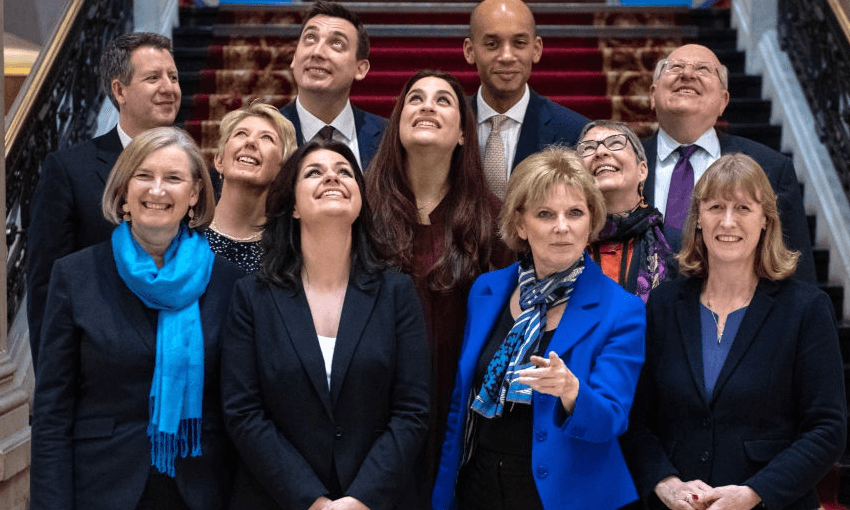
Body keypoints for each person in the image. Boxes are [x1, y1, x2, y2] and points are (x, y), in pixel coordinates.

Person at [30, 127, 243, 510]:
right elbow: (52, 412)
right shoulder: (76, 276)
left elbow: (243, 406)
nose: (157, 190)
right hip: (101, 486)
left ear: (194, 193)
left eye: (174, 178)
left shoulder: (231, 283)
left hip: (203, 488)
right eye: (144, 175)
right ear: (124, 188)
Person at [621, 154, 846, 510]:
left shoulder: (806, 309)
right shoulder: (663, 304)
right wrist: (666, 484)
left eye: (743, 207)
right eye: (715, 207)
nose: (728, 221)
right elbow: (635, 420)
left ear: (766, 221)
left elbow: (827, 429)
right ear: (697, 220)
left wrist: (753, 493)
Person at [220, 139, 431, 510]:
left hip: (378, 501)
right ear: (294, 206)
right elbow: (244, 413)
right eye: (314, 172)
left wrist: (360, 499)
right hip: (277, 500)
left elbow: (412, 411)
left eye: (345, 172)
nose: (331, 177)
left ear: (360, 200)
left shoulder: (397, 292)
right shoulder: (252, 297)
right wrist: (312, 500)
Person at [432, 146, 646, 510]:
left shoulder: (621, 309)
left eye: (575, 213)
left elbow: (611, 419)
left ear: (591, 222)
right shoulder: (488, 290)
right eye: (545, 214)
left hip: (564, 496)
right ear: (520, 224)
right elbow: (462, 401)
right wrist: (443, 493)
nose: (562, 227)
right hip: (478, 486)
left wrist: (571, 390)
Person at [365, 69, 508, 482]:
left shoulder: (494, 220)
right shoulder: (362, 212)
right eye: (415, 98)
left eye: (443, 100)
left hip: (464, 414)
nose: (427, 105)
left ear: (464, 134)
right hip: (377, 409)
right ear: (396, 124)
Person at [27, 31, 181, 368]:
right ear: (119, 90)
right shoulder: (70, 170)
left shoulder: (195, 173)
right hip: (99, 374)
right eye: (153, 78)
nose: (169, 88)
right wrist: (53, 378)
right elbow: (45, 287)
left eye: (173, 76)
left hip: (181, 363)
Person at [643, 44, 815, 283]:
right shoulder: (623, 163)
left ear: (724, 101)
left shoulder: (771, 168)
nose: (688, 75)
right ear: (653, 95)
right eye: (675, 67)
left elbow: (796, 274)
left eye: (703, 69)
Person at [464, 0, 589, 198]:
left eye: (519, 43)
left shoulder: (575, 132)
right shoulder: (449, 123)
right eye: (492, 44)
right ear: (470, 51)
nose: (506, 56)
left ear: (536, 49)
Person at [577, 120, 678, 302]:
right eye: (588, 148)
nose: (600, 152)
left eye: (615, 143)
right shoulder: (565, 239)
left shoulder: (673, 242)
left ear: (642, 170)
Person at [280, 1, 386, 170]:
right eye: (310, 38)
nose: (317, 52)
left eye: (336, 43)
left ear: (360, 69)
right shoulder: (267, 132)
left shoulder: (388, 137)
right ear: (294, 58)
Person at [209, 101, 297, 273]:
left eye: (266, 138)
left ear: (282, 171)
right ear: (219, 160)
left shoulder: (289, 249)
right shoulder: (186, 234)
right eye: (241, 134)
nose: (250, 142)